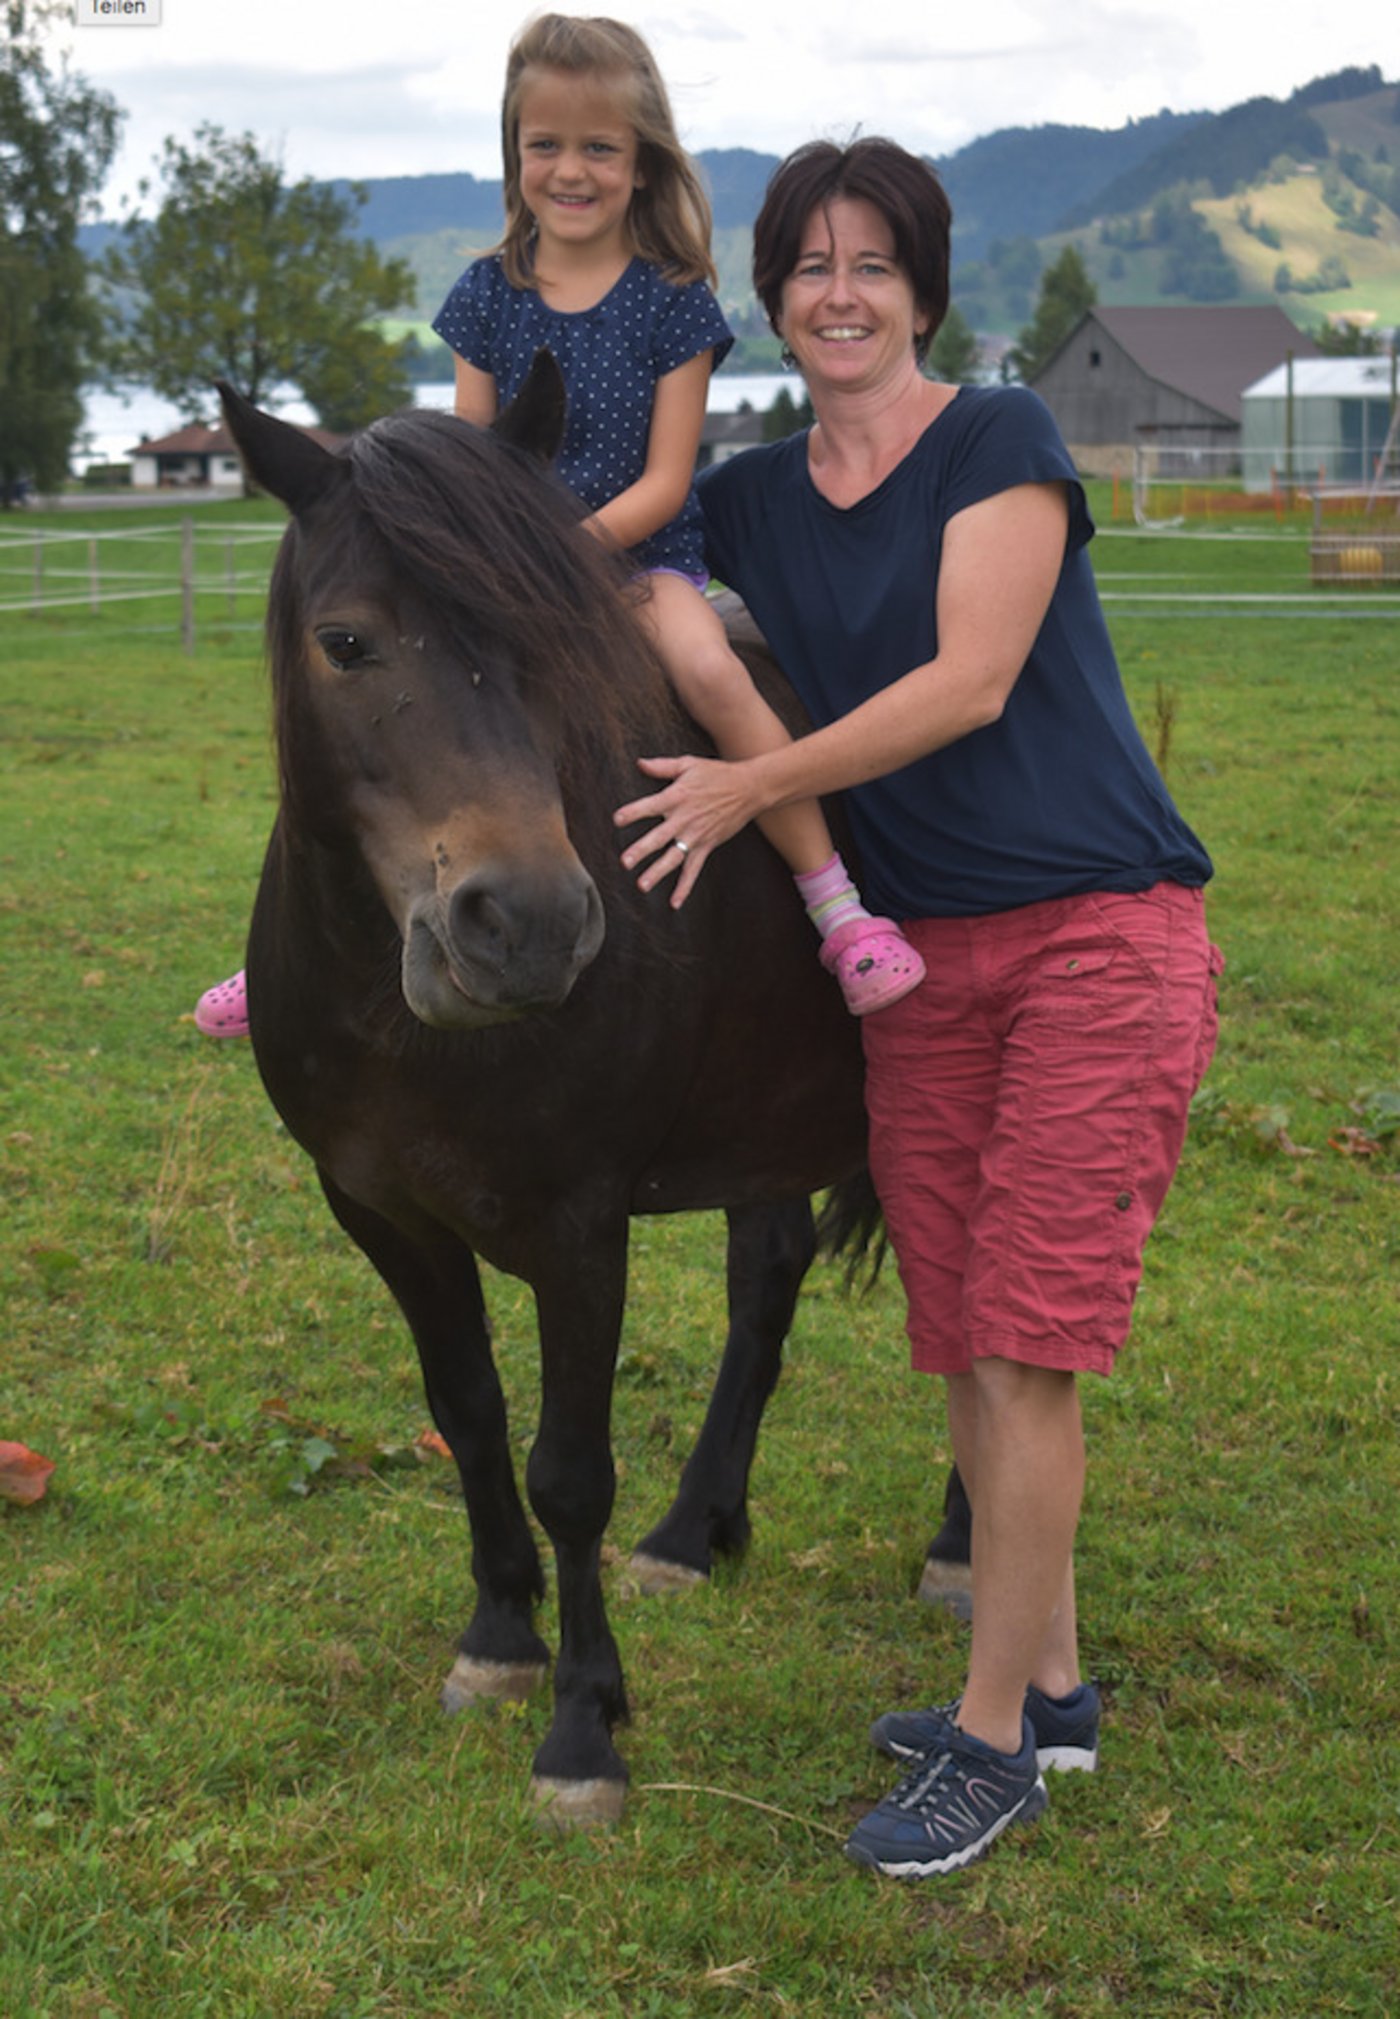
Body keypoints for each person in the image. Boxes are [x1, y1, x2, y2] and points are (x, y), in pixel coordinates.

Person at [614, 136, 1223, 1880]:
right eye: (810, 264)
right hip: (923, 964)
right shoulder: (750, 490)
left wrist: (752, 787)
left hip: (1099, 934)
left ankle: (985, 1746)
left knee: (1028, 1337)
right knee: (964, 1335)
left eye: (875, 262)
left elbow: (967, 683)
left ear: (926, 287)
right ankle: (1052, 1683)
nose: (841, 291)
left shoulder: (1000, 440)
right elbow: (622, 530)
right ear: (775, 297)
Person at [191, 16, 922, 1042]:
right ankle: (291, 956)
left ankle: (831, 903)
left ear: (640, 162)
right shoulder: (485, 294)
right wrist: (483, 572)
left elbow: (668, 481)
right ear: (513, 153)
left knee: (713, 676)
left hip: (632, 564)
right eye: (545, 145)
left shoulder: (672, 305)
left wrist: (550, 563)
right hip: (498, 582)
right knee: (385, 711)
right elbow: (462, 463)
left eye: (598, 148)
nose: (568, 170)